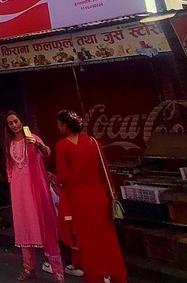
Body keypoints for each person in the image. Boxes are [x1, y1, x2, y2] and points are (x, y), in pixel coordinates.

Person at [55, 110, 126, 283]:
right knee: (108, 243)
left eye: (59, 123)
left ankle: (96, 278)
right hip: (99, 198)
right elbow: (105, 173)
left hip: (79, 201)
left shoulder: (62, 146)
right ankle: (118, 277)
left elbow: (63, 177)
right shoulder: (95, 142)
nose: (58, 127)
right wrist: (112, 196)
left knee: (89, 246)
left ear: (65, 125)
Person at [4, 111, 65, 282]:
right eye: (10, 123)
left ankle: (58, 272)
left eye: (15, 121)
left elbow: (47, 152)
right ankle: (28, 267)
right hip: (19, 191)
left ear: (21, 121)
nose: (14, 125)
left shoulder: (33, 138)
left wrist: (37, 145)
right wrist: (13, 185)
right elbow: (9, 167)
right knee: (24, 226)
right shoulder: (9, 144)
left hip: (35, 190)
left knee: (43, 224)